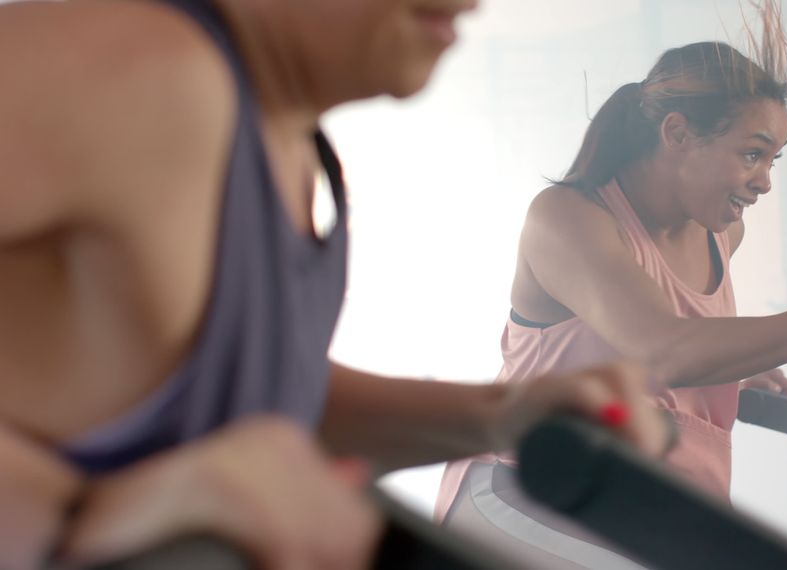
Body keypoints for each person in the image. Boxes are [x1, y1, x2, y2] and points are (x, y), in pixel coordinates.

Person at [0, 0, 671, 568]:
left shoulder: (291, 149)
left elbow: (264, 396)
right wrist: (80, 512)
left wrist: (501, 415)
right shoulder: (135, 64)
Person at [435, 2, 787, 567]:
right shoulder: (568, 218)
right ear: (677, 133)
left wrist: (738, 364)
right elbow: (667, 351)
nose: (765, 181)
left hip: (644, 512)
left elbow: (680, 344)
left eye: (774, 160)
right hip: (525, 490)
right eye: (751, 154)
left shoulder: (721, 237)